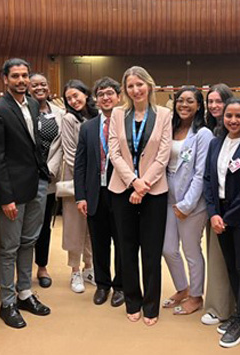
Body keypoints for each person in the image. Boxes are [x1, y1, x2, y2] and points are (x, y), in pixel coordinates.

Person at [0, 58, 51, 329]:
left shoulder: (33, 103)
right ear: (5, 79)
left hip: (36, 185)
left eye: (25, 75)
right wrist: (4, 197)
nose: (21, 80)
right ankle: (7, 302)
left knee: (29, 242)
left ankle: (24, 293)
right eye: (16, 76)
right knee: (9, 247)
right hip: (13, 191)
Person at [109, 66, 172, 326]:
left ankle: (151, 305)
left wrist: (143, 184)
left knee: (151, 250)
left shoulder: (164, 114)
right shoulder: (117, 113)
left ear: (149, 85)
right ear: (126, 90)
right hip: (122, 189)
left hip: (154, 191)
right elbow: (114, 152)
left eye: (140, 84)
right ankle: (132, 301)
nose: (136, 90)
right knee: (126, 248)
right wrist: (133, 182)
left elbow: (164, 154)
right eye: (130, 86)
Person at [203, 97, 240, 348]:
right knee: (230, 267)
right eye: (229, 116)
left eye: (239, 116)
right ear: (222, 118)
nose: (233, 120)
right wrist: (213, 214)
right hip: (220, 214)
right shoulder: (216, 143)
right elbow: (208, 180)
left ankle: (239, 320)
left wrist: (227, 218)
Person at [162, 86, 213, 315]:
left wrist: (187, 205)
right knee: (168, 248)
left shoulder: (203, 134)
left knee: (191, 250)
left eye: (190, 101)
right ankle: (182, 288)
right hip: (167, 194)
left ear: (199, 105)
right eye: (180, 100)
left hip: (192, 200)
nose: (184, 105)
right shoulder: (170, 128)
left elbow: (201, 173)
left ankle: (195, 295)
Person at [74, 76, 125, 306]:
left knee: (123, 243)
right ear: (96, 99)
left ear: (118, 96)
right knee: (99, 243)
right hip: (95, 194)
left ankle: (121, 286)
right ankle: (103, 285)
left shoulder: (128, 122)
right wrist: (81, 196)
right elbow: (80, 164)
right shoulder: (88, 127)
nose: (105, 98)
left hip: (121, 193)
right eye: (101, 94)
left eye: (110, 93)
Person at [200, 83, 237, 326]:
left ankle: (234, 309)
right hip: (212, 204)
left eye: (218, 101)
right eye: (210, 102)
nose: (214, 106)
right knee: (216, 256)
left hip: (234, 205)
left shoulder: (237, 130)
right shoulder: (208, 130)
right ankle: (218, 306)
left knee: (233, 260)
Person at [60, 79, 98, 293]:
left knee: (91, 227)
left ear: (86, 94)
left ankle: (89, 267)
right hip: (76, 176)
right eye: (69, 98)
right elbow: (71, 152)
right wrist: (85, 177)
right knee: (75, 227)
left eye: (76, 95)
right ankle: (75, 270)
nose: (74, 101)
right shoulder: (68, 118)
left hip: (94, 178)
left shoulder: (96, 115)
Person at [29, 72, 64, 288]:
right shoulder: (20, 111)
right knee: (22, 225)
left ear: (48, 88)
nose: (39, 88)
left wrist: (50, 169)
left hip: (48, 177)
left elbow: (62, 145)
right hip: (25, 178)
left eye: (43, 84)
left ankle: (42, 266)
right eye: (35, 85)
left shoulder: (59, 113)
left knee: (43, 226)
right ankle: (21, 270)